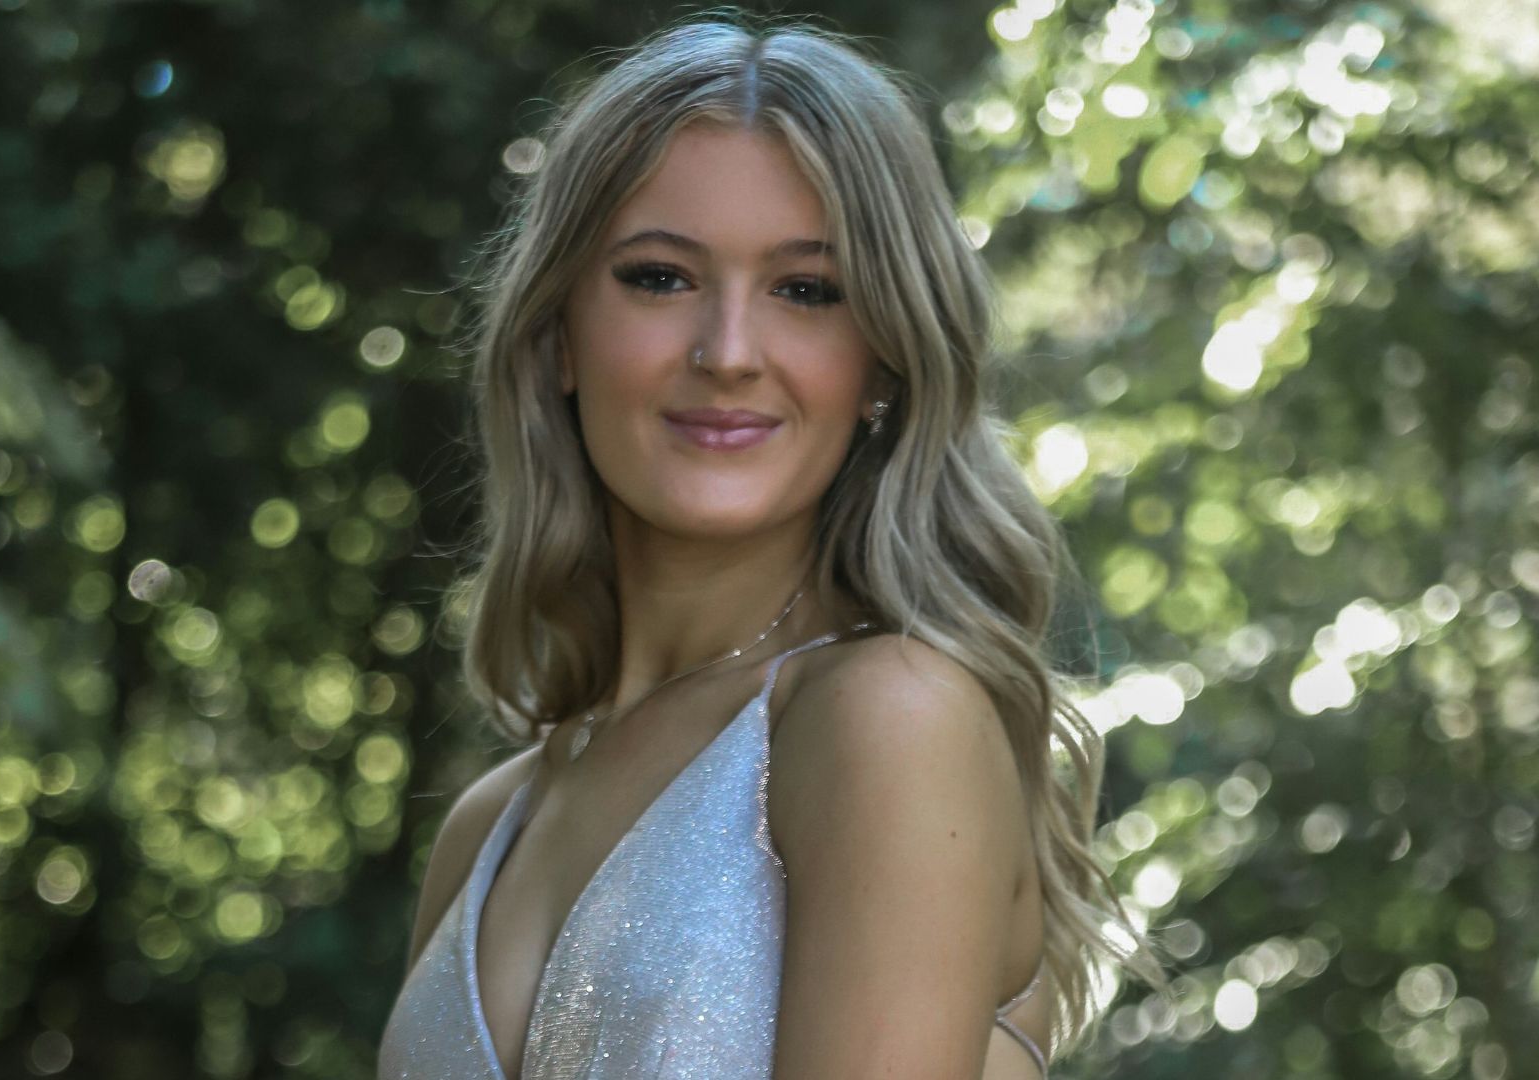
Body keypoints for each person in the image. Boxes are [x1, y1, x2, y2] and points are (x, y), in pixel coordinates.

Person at [378, 12, 1164, 1079]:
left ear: (884, 361)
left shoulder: (890, 716)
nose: (729, 353)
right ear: (560, 333)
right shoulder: (489, 825)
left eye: (806, 291)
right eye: (660, 276)